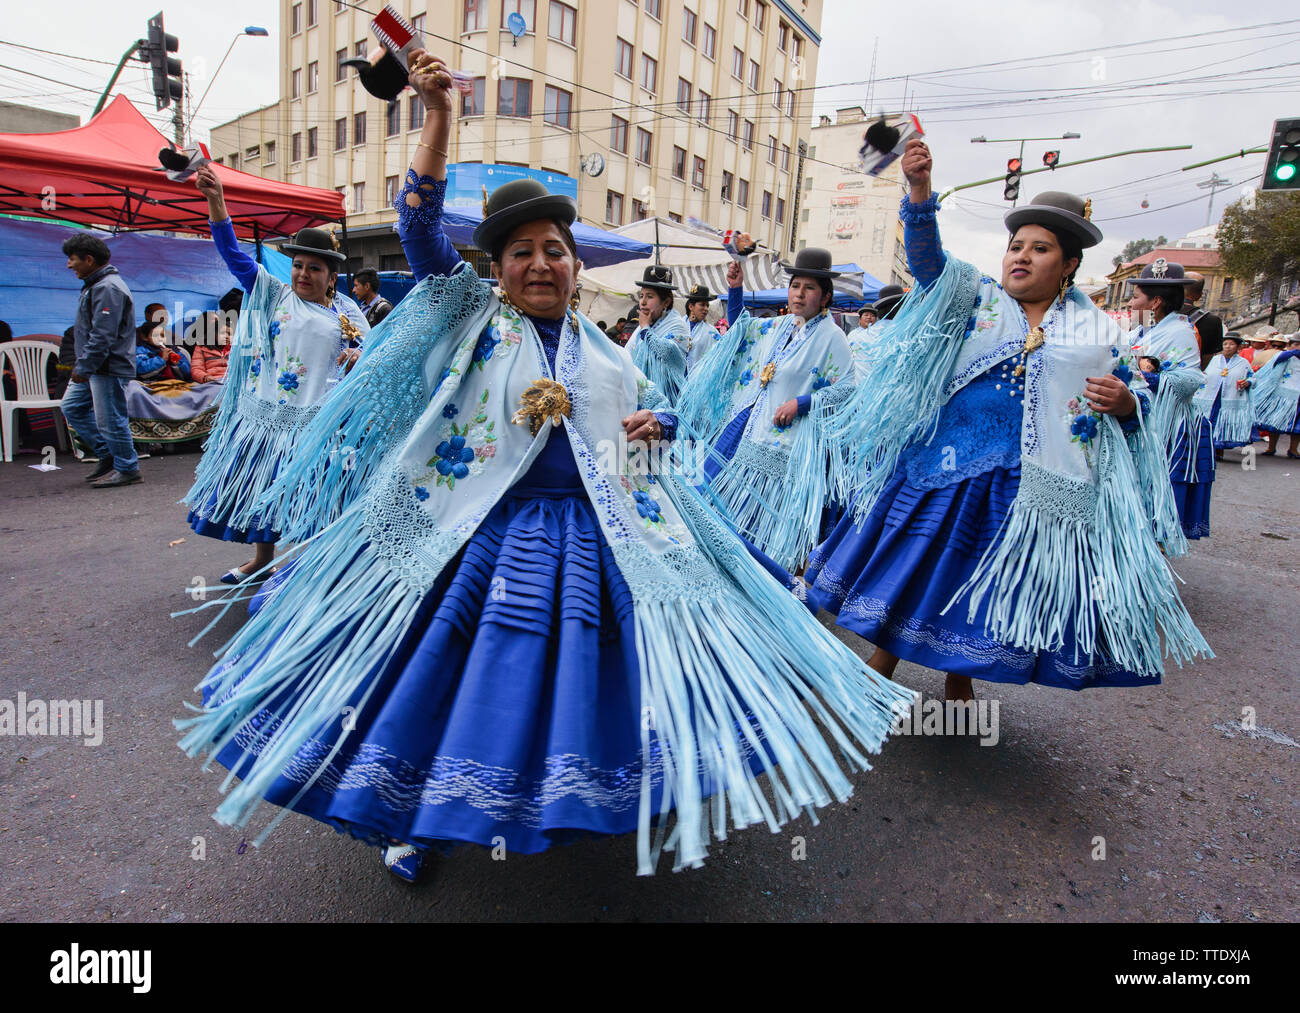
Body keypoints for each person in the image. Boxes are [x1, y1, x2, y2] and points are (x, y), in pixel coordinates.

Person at [175, 47, 911, 886]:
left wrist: (659, 423)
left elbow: (647, 440)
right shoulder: (469, 319)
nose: (539, 262)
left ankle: (616, 795)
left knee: (586, 681)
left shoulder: (609, 352)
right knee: (436, 683)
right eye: (519, 250)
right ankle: (412, 819)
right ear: (496, 267)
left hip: (602, 532)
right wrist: (440, 118)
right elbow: (418, 225)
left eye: (553, 249)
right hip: (473, 527)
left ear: (574, 263)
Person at [804, 138, 1207, 701]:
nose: (1020, 256)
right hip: (945, 462)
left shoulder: (1096, 333)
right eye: (1015, 245)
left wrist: (1127, 404)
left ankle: (959, 676)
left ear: (1068, 265)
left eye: (1040, 249)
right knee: (920, 567)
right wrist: (919, 192)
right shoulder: (978, 300)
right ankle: (880, 663)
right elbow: (927, 264)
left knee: (979, 582)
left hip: (1027, 483)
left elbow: (1138, 397)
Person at [185, 162, 371, 585]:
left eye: (314, 268)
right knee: (264, 491)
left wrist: (361, 357)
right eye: (299, 265)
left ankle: (309, 569)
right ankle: (260, 561)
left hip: (322, 422)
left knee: (318, 497)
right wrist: (216, 202)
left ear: (332, 277)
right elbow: (233, 255)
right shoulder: (273, 293)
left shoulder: (348, 312)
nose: (303, 274)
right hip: (271, 416)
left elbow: (372, 354)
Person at [676, 248, 856, 570]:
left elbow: (849, 390)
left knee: (757, 528)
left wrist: (803, 403)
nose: (799, 294)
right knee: (712, 499)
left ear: (825, 296)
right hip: (748, 427)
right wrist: (735, 289)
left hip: (786, 447)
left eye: (809, 288)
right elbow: (742, 332)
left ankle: (751, 573)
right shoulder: (782, 325)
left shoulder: (833, 338)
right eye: (795, 285)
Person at [1130, 259, 1216, 541]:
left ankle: (1154, 550)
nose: (1131, 304)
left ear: (1155, 302)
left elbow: (1189, 381)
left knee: (1158, 486)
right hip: (1150, 417)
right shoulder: (1149, 329)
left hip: (1170, 427)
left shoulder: (1180, 332)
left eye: (1135, 297)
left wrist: (1147, 378)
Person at [60, 232, 142, 488]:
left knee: (110, 420)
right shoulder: (96, 286)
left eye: (73, 259)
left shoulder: (108, 288)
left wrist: (84, 367)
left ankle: (128, 468)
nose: (69, 265)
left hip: (106, 366)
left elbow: (103, 334)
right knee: (72, 407)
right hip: (94, 366)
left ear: (89, 259)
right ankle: (107, 453)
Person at [625, 265, 690, 405]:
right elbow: (627, 356)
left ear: (666, 302)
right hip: (640, 398)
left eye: (649, 296)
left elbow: (668, 354)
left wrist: (646, 330)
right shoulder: (643, 326)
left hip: (667, 402)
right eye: (641, 296)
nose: (642, 302)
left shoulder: (677, 325)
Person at [1195, 332, 1253, 458]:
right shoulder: (1214, 360)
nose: (1227, 346)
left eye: (1231, 344)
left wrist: (1248, 382)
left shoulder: (1243, 363)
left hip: (1229, 397)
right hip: (1210, 396)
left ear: (1238, 347)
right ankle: (1205, 449)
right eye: (1225, 344)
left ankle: (1218, 449)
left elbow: (1252, 377)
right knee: (1208, 420)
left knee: (1222, 422)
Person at [1252, 333, 1300, 458]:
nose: (1299, 347)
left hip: (1298, 397)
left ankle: (1293, 449)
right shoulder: (1283, 356)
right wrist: (1291, 353)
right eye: (1296, 344)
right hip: (1280, 395)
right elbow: (1272, 367)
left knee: (1297, 426)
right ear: (1289, 345)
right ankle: (1271, 447)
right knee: (1274, 422)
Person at [1182, 272, 1223, 370]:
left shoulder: (1158, 312)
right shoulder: (1213, 321)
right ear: (1199, 295)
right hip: (1190, 377)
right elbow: (1205, 361)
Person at [682, 283, 721, 369]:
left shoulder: (711, 332)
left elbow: (718, 357)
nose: (706, 309)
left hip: (698, 379)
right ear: (691, 306)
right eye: (702, 304)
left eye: (707, 305)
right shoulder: (678, 326)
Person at [190, 314, 232, 383]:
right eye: (222, 333)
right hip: (213, 382)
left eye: (229, 334)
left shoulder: (234, 349)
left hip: (231, 382)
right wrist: (205, 377)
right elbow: (196, 369)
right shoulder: (201, 348)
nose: (226, 336)